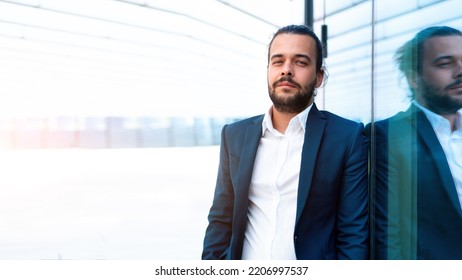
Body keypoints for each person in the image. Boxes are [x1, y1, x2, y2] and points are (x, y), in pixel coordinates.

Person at [202, 25, 369, 260]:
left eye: (300, 62)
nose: (286, 70)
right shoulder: (234, 135)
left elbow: (353, 233)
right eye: (278, 61)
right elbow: (220, 220)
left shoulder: (346, 137)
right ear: (268, 70)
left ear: (319, 77)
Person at [370, 26, 462, 259]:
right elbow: (387, 233)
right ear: (413, 77)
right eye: (444, 63)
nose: (460, 71)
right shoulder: (389, 134)